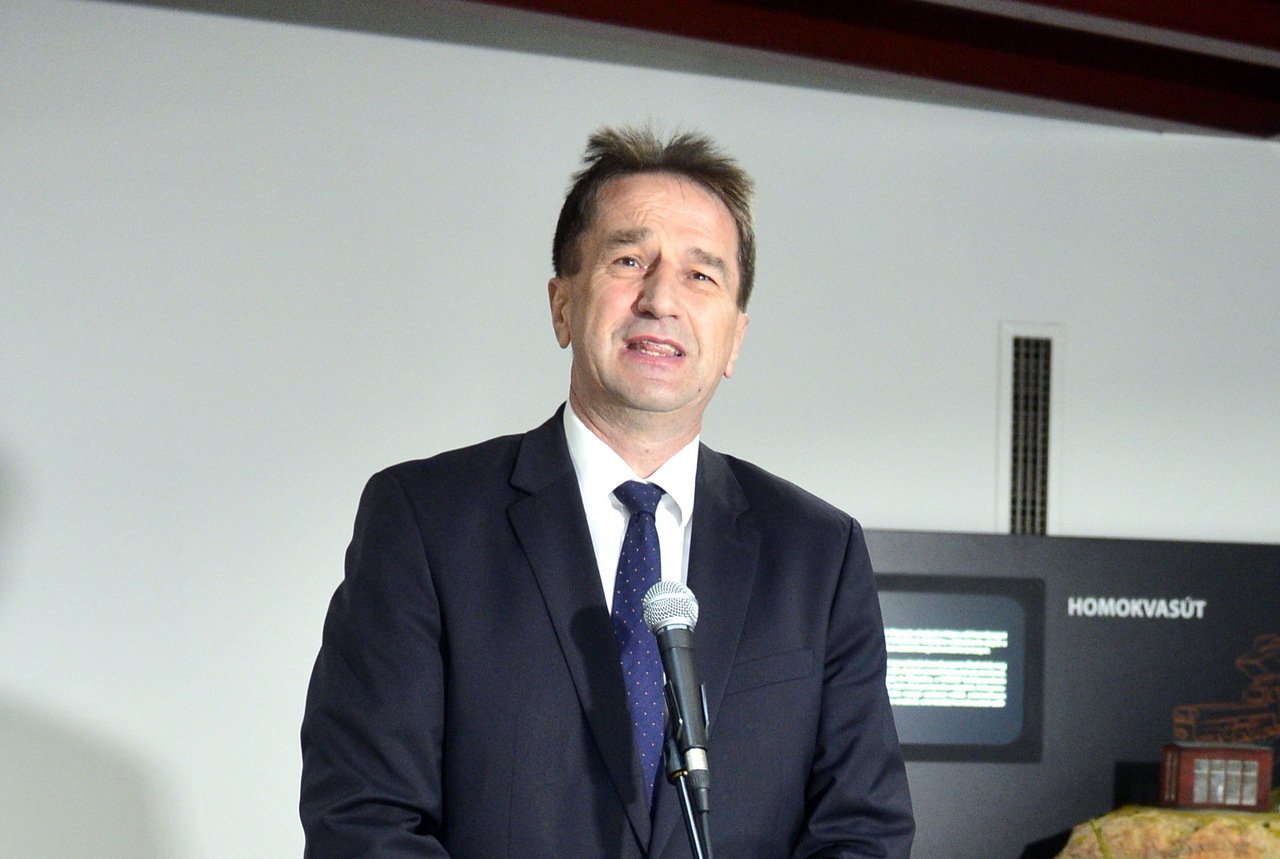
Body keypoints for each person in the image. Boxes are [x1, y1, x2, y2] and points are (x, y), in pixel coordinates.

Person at [300, 126, 914, 858]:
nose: (662, 299)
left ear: (735, 338)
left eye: (702, 275)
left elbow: (862, 829)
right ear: (562, 305)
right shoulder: (425, 520)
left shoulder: (818, 552)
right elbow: (364, 820)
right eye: (629, 260)